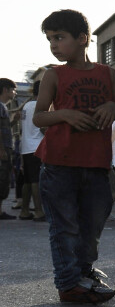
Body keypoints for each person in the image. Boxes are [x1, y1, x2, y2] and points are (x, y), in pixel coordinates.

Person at [33, 9, 115, 303]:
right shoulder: (53, 75)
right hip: (59, 163)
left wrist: (113, 107)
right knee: (64, 227)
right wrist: (65, 114)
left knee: (92, 226)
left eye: (59, 37)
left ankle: (83, 272)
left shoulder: (107, 73)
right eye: (50, 39)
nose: (53, 45)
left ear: (82, 39)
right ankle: (68, 283)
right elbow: (38, 118)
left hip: (97, 163)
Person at [17, 80, 45, 220]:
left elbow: (22, 129)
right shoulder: (40, 106)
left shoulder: (26, 106)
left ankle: (25, 211)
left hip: (26, 147)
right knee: (36, 181)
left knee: (27, 181)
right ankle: (39, 211)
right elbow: (43, 127)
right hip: (37, 147)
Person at [0, 78, 18, 220]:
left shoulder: (3, 107)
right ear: (5, 90)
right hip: (3, 150)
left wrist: (14, 121)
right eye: (13, 90)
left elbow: (5, 129)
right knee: (2, 179)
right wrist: (2, 150)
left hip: (5, 148)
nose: (15, 93)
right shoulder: (0, 106)